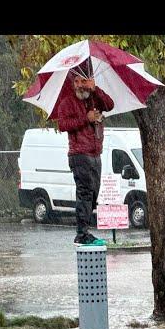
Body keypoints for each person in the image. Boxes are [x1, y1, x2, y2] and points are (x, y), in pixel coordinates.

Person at [58, 71, 114, 245]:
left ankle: (85, 230)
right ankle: (82, 233)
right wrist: (85, 118)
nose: (81, 85)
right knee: (85, 192)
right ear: (73, 83)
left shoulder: (94, 98)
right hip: (79, 154)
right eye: (77, 81)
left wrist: (96, 89)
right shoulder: (67, 103)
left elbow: (110, 105)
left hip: (96, 153)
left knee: (94, 193)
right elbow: (63, 125)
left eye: (84, 81)